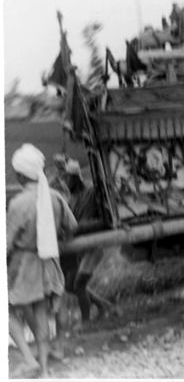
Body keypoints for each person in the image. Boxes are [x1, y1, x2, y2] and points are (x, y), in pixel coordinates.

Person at [7, 144, 77, 378]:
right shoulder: (55, 196)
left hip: (25, 265)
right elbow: (72, 227)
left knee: (6, 311)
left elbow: (6, 243)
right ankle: (45, 368)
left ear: (19, 175)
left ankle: (29, 359)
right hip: (50, 263)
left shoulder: (18, 204)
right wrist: (58, 238)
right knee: (41, 314)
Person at [61, 160, 110, 323]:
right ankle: (103, 305)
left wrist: (78, 228)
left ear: (75, 178)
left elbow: (103, 220)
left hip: (94, 246)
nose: (65, 183)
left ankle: (86, 322)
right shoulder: (71, 199)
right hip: (80, 247)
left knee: (79, 284)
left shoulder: (93, 193)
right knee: (69, 286)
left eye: (67, 179)